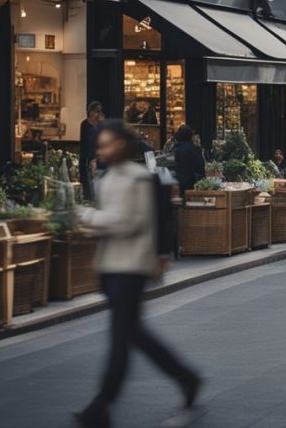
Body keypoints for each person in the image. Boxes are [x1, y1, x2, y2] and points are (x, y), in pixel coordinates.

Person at [75, 120, 200, 427]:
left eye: (106, 144)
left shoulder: (139, 178)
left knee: (121, 339)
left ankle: (102, 404)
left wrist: (85, 216)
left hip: (131, 268)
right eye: (99, 145)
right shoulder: (105, 177)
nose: (101, 150)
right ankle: (186, 377)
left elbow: (127, 222)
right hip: (112, 267)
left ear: (123, 144)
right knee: (135, 335)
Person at [80, 101, 104, 199]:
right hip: (87, 158)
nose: (99, 114)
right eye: (97, 112)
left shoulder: (101, 125)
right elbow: (86, 144)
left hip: (99, 159)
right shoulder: (85, 124)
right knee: (88, 185)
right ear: (90, 112)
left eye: (100, 112)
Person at [172, 125, 205, 192]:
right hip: (191, 183)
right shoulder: (194, 148)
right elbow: (200, 166)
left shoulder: (175, 149)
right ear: (190, 136)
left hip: (178, 182)